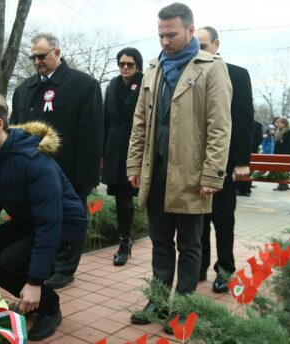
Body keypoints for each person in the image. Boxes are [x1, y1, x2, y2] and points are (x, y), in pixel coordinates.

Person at [0, 93, 87, 341]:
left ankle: (48, 306)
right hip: (30, 221)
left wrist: (34, 280)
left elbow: (49, 223)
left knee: (11, 261)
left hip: (63, 225)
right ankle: (34, 299)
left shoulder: (34, 161)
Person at [126, 3, 231, 328]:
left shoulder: (212, 67)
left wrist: (213, 173)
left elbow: (219, 126)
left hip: (191, 176)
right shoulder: (154, 68)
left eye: (171, 34)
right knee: (160, 243)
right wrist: (133, 164)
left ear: (189, 30)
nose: (164, 41)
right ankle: (157, 303)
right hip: (155, 174)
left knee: (189, 245)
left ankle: (184, 308)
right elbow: (140, 122)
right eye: (160, 34)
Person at [10, 32, 103, 289]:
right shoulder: (23, 89)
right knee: (39, 219)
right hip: (32, 172)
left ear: (57, 53)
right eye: (33, 57)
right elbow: (14, 131)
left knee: (69, 219)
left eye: (41, 56)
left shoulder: (84, 85)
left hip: (69, 172)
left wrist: (87, 177)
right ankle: (44, 263)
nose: (37, 61)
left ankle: (65, 266)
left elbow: (92, 134)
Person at [195, 26, 254, 293]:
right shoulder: (190, 73)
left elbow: (243, 120)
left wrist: (242, 161)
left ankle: (225, 269)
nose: (199, 51)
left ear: (217, 44)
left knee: (222, 218)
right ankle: (199, 265)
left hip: (225, 162)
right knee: (197, 218)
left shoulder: (237, 75)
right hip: (193, 161)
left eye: (203, 46)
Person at [101, 47, 144, 266]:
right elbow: (105, 120)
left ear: (138, 66)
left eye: (130, 64)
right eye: (121, 64)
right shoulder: (112, 86)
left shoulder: (145, 84)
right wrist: (102, 154)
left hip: (138, 144)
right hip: (115, 146)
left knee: (145, 196)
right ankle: (124, 242)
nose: (125, 68)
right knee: (122, 197)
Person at [236, 120, 263, 196]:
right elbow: (259, 139)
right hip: (252, 151)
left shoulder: (240, 122)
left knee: (240, 168)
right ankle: (246, 189)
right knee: (249, 170)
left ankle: (239, 188)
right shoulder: (258, 125)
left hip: (242, 150)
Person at [273, 117, 290, 191]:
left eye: (278, 123)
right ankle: (281, 184)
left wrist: (281, 141)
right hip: (278, 153)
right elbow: (277, 142)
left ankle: (284, 184)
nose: (277, 124)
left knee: (283, 170)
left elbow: (289, 144)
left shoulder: (289, 132)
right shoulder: (278, 131)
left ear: (284, 124)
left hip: (285, 153)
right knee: (279, 170)